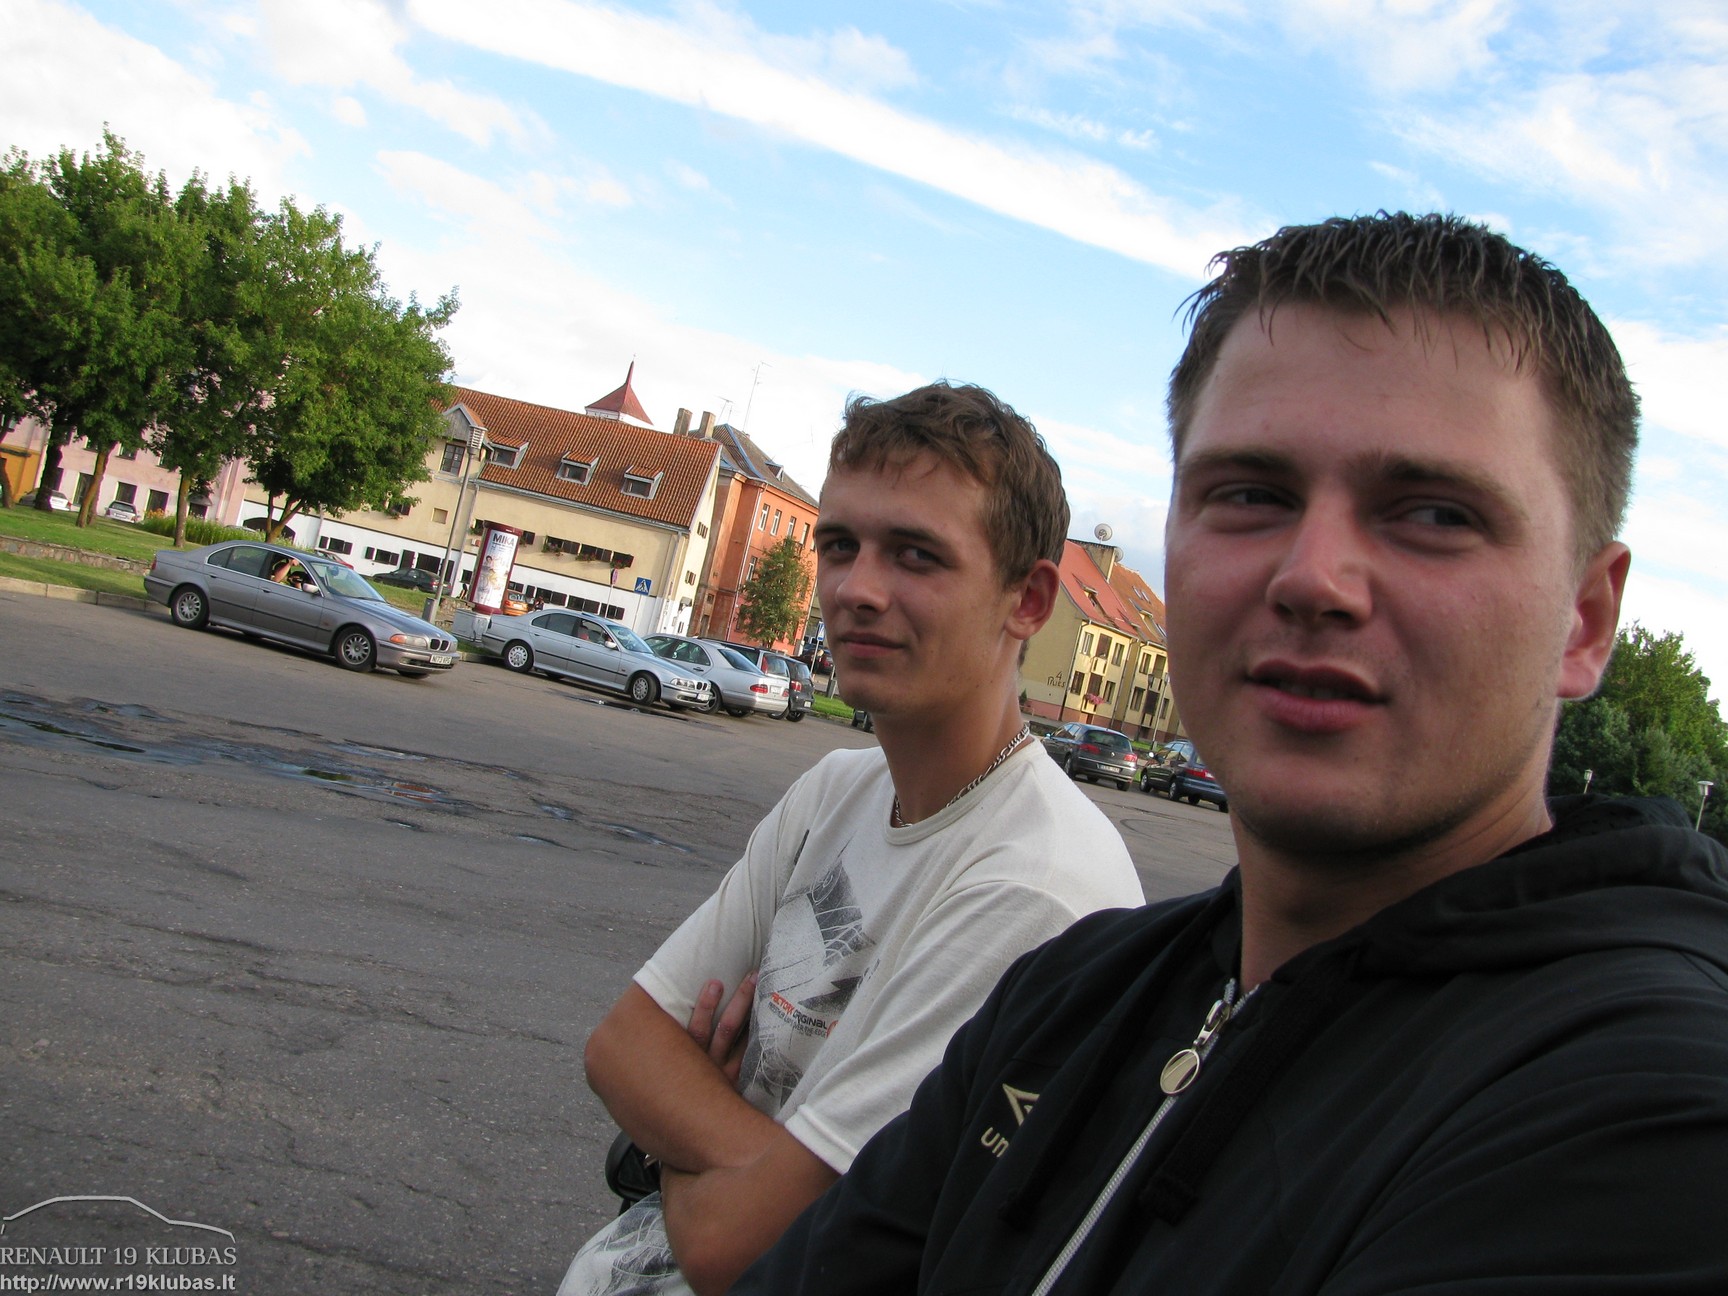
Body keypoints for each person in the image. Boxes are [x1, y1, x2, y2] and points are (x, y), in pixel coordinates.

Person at [738, 213, 1728, 1294]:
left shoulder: (1650, 1113)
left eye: (1436, 514)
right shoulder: (1075, 994)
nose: (1311, 578)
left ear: (1585, 619)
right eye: (1251, 495)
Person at [557, 383, 1145, 1296]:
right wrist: (754, 1165)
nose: (856, 590)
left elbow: (739, 1250)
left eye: (916, 555)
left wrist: (680, 1126)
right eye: (839, 545)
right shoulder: (836, 788)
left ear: (1027, 600)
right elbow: (621, 1044)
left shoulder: (1038, 887)